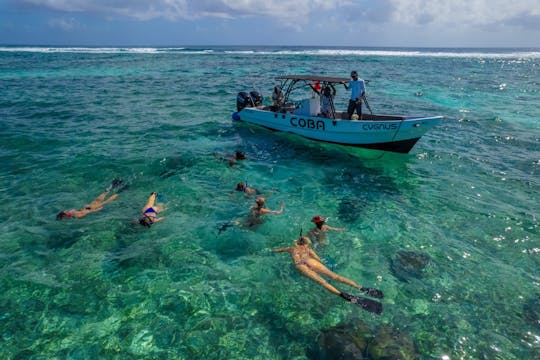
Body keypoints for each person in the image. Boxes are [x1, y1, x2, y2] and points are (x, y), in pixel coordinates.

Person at [272, 236, 383, 313]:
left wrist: (272, 250)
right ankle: (361, 288)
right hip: (310, 261)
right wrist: (314, 265)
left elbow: (277, 250)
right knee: (335, 276)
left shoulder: (291, 249)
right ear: (306, 243)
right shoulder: (308, 248)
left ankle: (345, 296)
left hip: (300, 265)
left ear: (297, 242)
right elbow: (317, 258)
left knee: (323, 282)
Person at [56, 179, 122, 220]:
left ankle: (121, 190)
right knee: (102, 195)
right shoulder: (71, 211)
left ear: (64, 216)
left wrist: (96, 210)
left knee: (106, 201)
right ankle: (114, 184)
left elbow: (86, 212)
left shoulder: (75, 216)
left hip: (91, 208)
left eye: (63, 218)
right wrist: (85, 207)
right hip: (88, 206)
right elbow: (82, 210)